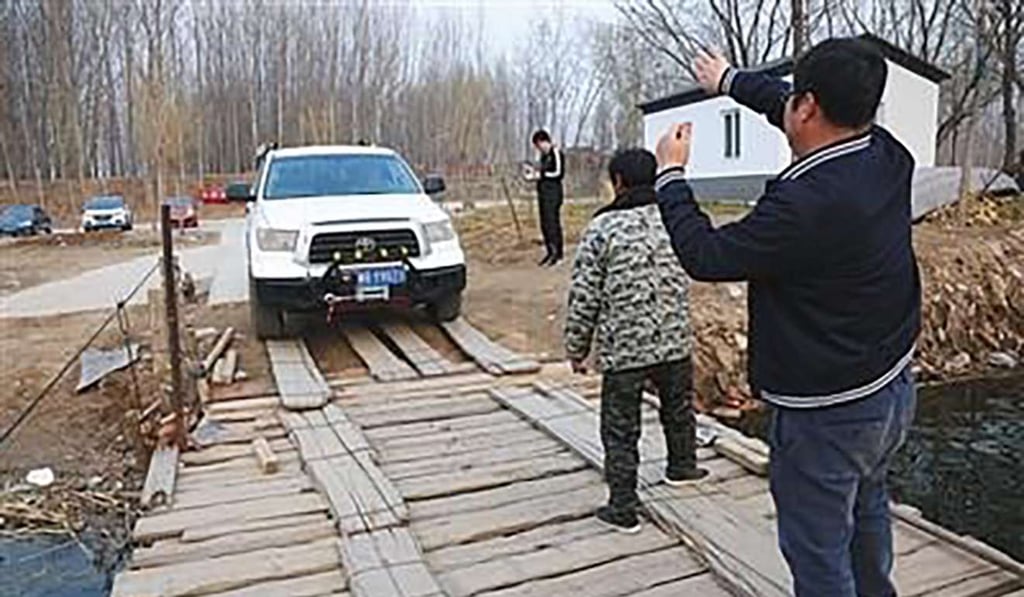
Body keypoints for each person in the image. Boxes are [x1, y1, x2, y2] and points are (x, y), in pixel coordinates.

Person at [653, 38, 920, 596]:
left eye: (795, 99)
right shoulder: (889, 154)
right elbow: (786, 103)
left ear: (809, 108)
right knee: (868, 510)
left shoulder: (803, 203)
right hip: (891, 388)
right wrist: (729, 80)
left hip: (827, 414)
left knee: (817, 552)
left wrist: (671, 178)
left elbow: (707, 256)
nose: (788, 106)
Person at [564, 148, 709, 534]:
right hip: (674, 341)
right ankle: (683, 465)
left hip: (625, 350)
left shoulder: (603, 228)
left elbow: (585, 295)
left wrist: (577, 349)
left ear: (619, 182)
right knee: (678, 409)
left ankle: (623, 507)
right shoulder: (675, 220)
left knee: (620, 428)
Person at [525, 130, 565, 266]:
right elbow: (542, 171)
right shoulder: (543, 156)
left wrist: (542, 175)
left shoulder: (556, 153)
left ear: (544, 141)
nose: (539, 148)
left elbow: (558, 173)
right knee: (544, 223)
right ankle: (549, 251)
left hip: (554, 194)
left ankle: (558, 253)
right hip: (543, 193)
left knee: (553, 222)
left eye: (539, 144)